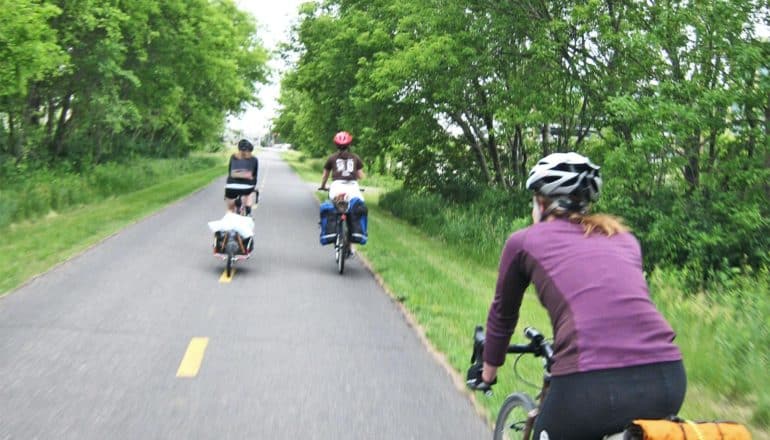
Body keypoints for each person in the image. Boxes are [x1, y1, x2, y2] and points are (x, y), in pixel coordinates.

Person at [467, 152, 686, 440]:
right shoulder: (625, 239)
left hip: (590, 388)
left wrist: (487, 373)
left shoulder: (523, 242)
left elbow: (503, 314)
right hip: (668, 380)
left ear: (541, 203)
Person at [319, 131, 365, 197]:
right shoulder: (355, 157)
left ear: (336, 145)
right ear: (349, 144)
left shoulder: (332, 157)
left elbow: (325, 176)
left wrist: (323, 186)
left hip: (337, 186)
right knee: (359, 204)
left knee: (333, 203)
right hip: (353, 186)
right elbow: (360, 176)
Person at [225, 139, 259, 215]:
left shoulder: (233, 157)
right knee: (249, 195)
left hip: (231, 186)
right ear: (250, 150)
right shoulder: (254, 159)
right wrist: (253, 186)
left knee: (230, 209)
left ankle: (230, 215)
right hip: (247, 187)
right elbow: (255, 175)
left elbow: (230, 172)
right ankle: (248, 213)